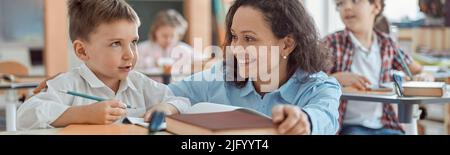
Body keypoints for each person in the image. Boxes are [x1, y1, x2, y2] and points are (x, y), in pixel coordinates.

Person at [163, 0, 342, 135]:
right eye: (234, 36)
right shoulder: (221, 76)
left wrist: (304, 120)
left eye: (249, 38)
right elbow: (167, 93)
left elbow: (324, 116)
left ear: (286, 45)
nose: (235, 48)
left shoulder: (319, 87)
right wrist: (171, 105)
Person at [17, 0, 190, 130]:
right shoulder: (67, 84)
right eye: (116, 43)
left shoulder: (140, 83)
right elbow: (25, 116)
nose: (129, 54)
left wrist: (167, 107)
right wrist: (83, 114)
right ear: (82, 51)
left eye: (134, 42)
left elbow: (182, 102)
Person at [324, 0, 434, 135]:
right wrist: (337, 78)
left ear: (375, 6)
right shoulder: (331, 43)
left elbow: (418, 70)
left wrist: (425, 76)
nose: (346, 7)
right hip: (347, 126)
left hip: (384, 125)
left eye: (354, 1)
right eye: (340, 3)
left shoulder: (388, 44)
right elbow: (309, 83)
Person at [135, 9, 206, 75]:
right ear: (155, 32)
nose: (168, 40)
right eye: (164, 36)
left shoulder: (184, 49)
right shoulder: (141, 49)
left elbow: (202, 60)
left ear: (179, 34)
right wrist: (153, 62)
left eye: (172, 36)